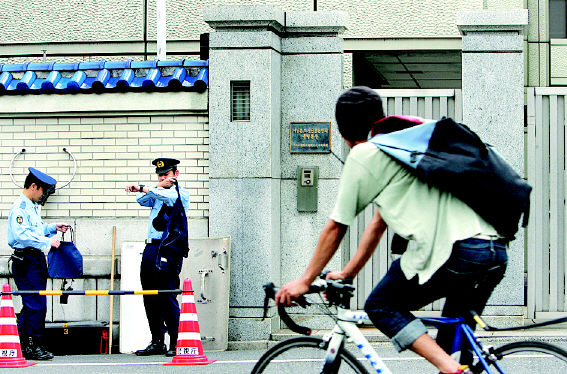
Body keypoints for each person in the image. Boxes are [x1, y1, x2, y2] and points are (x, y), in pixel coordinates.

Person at [275, 86, 508, 374]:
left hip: (455, 253)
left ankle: (452, 369)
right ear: (379, 117)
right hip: (494, 252)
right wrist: (347, 274)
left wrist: (305, 280)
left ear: (343, 131)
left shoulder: (365, 154)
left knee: (381, 305)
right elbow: (378, 224)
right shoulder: (405, 147)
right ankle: (456, 366)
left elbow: (336, 226)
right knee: (452, 347)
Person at [125, 157, 190, 357]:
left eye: (166, 174)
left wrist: (150, 187)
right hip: (152, 247)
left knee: (167, 295)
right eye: (160, 175)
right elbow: (141, 200)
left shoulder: (180, 194)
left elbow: (166, 197)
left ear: (176, 175)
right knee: (150, 295)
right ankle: (157, 340)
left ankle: (175, 341)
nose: (163, 177)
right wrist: (155, 186)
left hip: (169, 249)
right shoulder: (157, 191)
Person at [8, 167, 69, 360]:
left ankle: (23, 343)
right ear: (34, 186)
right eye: (43, 191)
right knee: (35, 304)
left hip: (34, 259)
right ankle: (34, 344)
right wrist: (47, 242)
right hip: (25, 260)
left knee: (33, 303)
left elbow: (36, 228)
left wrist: (52, 228)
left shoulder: (32, 206)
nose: (43, 196)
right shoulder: (20, 207)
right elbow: (21, 234)